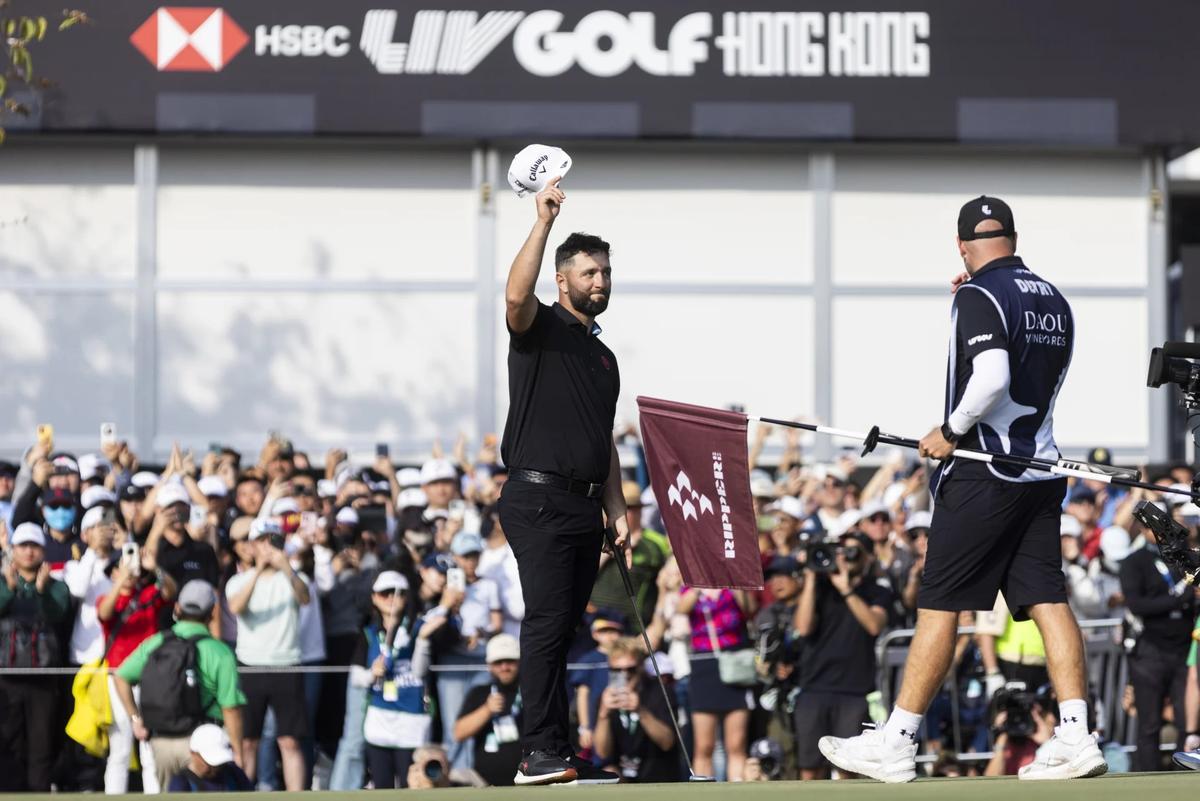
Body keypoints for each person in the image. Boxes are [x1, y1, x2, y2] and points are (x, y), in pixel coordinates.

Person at [820, 195, 1106, 782]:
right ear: (1015, 237)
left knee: (941, 603)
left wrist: (949, 430)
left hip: (983, 470)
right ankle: (1077, 733)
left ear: (961, 245)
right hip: (1040, 471)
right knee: (1046, 598)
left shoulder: (978, 295)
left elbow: (993, 376)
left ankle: (897, 740)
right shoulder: (1053, 296)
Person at [497, 172, 627, 785]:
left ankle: (554, 749)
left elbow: (604, 443)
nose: (599, 281)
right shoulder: (541, 327)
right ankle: (537, 753)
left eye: (604, 272)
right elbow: (513, 299)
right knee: (547, 622)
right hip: (536, 497)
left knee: (563, 627)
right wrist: (542, 222)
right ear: (563, 278)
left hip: (582, 506)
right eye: (588, 272)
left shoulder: (605, 358)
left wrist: (619, 512)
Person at [113, 580, 246, 791]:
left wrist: (135, 718)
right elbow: (230, 707)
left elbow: (120, 676)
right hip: (203, 746)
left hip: (160, 744)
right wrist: (237, 752)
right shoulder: (219, 652)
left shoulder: (156, 642)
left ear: (177, 608)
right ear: (212, 612)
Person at [793, 533, 891, 779]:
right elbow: (803, 627)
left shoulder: (876, 591)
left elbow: (874, 625)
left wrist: (846, 589)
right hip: (814, 687)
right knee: (810, 769)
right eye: (840, 551)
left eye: (853, 552)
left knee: (848, 768)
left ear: (868, 557)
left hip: (854, 691)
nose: (845, 558)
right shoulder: (820, 588)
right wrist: (812, 577)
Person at [224, 520, 310, 790]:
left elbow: (305, 598)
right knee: (248, 740)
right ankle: (244, 792)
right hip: (251, 665)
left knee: (289, 741)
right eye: (262, 541)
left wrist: (286, 567)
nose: (267, 547)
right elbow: (236, 606)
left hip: (287, 664)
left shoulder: (295, 577)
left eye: (273, 540)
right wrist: (258, 570)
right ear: (251, 546)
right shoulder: (238, 581)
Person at [0, 523, 72, 791]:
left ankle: (38, 794)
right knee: (8, 742)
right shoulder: (3, 582)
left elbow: (57, 613)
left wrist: (41, 591)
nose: (29, 552)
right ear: (14, 550)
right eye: (23, 546)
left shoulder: (56, 586)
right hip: (6, 678)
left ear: (43, 550)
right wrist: (8, 588)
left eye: (34, 546)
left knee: (41, 745)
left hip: (43, 679)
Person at [1119, 520, 1195, 772]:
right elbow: (1137, 604)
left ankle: (1185, 773)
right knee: (1149, 722)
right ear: (1142, 530)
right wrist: (1179, 599)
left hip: (1183, 648)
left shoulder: (1181, 559)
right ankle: (1147, 775)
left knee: (1187, 720)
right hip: (1149, 650)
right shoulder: (1134, 561)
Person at [352, 571, 437, 789]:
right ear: (374, 598)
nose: (390, 598)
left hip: (412, 721)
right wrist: (372, 673)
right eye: (384, 593)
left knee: (411, 785)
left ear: (406, 597)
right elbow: (356, 677)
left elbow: (419, 671)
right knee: (382, 786)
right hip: (380, 720)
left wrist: (424, 640)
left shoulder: (418, 627)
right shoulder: (369, 633)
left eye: (397, 593)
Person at [678, 586, 756, 781]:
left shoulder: (733, 586)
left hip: (735, 663)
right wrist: (699, 585)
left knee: (736, 744)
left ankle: (736, 793)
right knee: (704, 745)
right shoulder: (691, 586)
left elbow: (750, 608)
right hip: (704, 665)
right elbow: (681, 609)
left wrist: (733, 582)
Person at [593, 637, 680, 783]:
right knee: (608, 771)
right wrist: (603, 715)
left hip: (659, 776)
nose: (624, 675)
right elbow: (602, 753)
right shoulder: (606, 697)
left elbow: (667, 742)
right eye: (616, 670)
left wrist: (641, 711)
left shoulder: (660, 692)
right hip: (623, 777)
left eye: (630, 669)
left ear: (641, 667)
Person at [454, 634, 524, 787]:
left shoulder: (531, 693)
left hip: (526, 782)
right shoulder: (479, 693)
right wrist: (486, 710)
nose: (504, 667)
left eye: (510, 661)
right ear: (489, 665)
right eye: (498, 662)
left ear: (519, 662)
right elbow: (458, 733)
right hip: (483, 783)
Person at [166, 724, 253, 792]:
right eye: (209, 763)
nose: (215, 769)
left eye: (220, 764)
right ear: (193, 754)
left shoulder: (234, 773)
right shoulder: (181, 783)